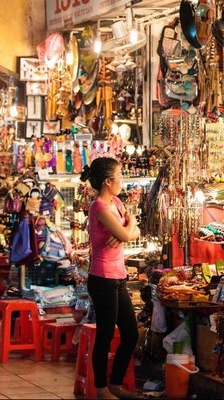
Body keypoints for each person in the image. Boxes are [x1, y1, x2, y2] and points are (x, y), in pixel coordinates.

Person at [80, 157, 141, 399]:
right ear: (107, 181)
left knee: (131, 333)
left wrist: (128, 228)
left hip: (119, 278)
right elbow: (128, 233)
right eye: (119, 177)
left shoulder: (115, 201)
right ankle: (101, 389)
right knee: (105, 335)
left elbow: (133, 232)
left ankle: (115, 384)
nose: (122, 182)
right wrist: (126, 229)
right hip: (102, 278)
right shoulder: (99, 207)